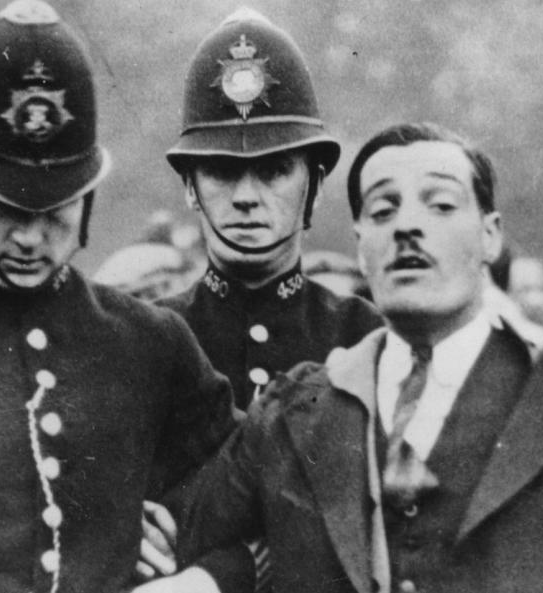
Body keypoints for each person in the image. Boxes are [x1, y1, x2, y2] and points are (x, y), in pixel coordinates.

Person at [157, 122, 543, 593]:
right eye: (384, 210)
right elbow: (176, 533)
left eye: (440, 206)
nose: (408, 229)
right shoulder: (297, 410)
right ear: (361, 245)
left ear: (490, 235)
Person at [0, 2, 241, 592]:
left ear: (89, 195)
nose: (31, 237)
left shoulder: (148, 341)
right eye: (4, 210)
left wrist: (207, 577)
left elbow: (266, 482)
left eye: (56, 209)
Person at [157, 8, 382, 412]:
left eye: (274, 170)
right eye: (222, 171)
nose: (246, 196)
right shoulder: (150, 341)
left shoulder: (367, 336)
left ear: (314, 187)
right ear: (190, 187)